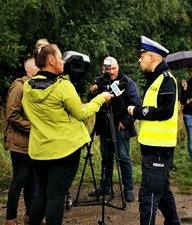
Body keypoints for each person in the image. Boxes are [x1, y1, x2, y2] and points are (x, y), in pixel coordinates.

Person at [21, 43, 113, 225]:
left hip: (39, 150)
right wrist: (100, 99)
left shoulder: (28, 87)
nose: (63, 61)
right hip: (64, 150)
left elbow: (36, 113)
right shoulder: (63, 86)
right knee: (56, 196)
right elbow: (81, 113)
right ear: (52, 60)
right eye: (60, 57)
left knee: (43, 194)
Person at [128, 36, 180, 225]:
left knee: (148, 196)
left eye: (142, 56)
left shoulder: (167, 80)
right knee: (163, 194)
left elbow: (166, 111)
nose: (139, 60)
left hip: (159, 149)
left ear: (153, 56)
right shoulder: (156, 78)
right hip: (153, 147)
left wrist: (140, 112)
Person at [88, 56, 141, 203]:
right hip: (104, 126)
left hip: (120, 127)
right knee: (106, 158)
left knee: (123, 158)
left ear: (118, 67)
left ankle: (128, 190)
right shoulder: (100, 82)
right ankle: (106, 187)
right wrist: (92, 92)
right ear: (103, 69)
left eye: (113, 68)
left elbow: (136, 103)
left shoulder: (127, 82)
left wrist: (126, 122)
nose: (110, 72)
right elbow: (92, 102)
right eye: (107, 69)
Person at [4, 54, 41, 225]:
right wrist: (33, 127)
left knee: (32, 180)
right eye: (37, 67)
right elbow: (11, 115)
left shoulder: (34, 86)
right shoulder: (18, 87)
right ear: (28, 69)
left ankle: (30, 215)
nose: (40, 70)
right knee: (19, 179)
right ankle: (10, 218)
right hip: (18, 143)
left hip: (32, 143)